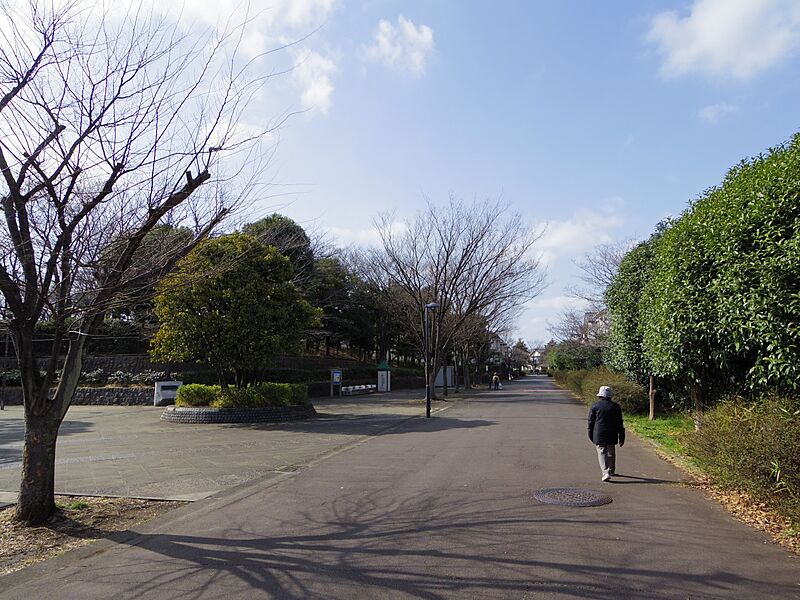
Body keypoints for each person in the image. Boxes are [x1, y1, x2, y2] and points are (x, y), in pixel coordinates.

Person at [587, 385, 625, 482]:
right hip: (612, 433)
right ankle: (611, 470)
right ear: (610, 396)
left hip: (599, 433)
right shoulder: (616, 407)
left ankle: (605, 472)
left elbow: (591, 421)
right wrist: (622, 435)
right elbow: (620, 422)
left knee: (602, 452)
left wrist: (590, 433)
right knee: (611, 452)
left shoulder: (595, 406)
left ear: (600, 395)